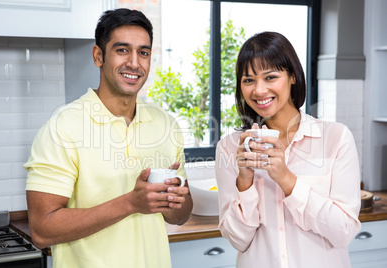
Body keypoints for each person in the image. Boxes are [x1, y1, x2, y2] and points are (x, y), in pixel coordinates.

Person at [24, 8, 193, 268]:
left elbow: (180, 215)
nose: (135, 63)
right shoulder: (62, 127)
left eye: (143, 52)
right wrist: (130, 203)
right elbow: (42, 230)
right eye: (122, 50)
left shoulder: (166, 124)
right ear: (98, 56)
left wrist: (171, 200)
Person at [215, 31, 361, 268]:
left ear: (293, 76)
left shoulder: (335, 138)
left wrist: (286, 179)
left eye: (270, 77)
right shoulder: (231, 148)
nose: (259, 90)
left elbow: (344, 231)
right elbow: (238, 240)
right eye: (248, 80)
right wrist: (245, 181)